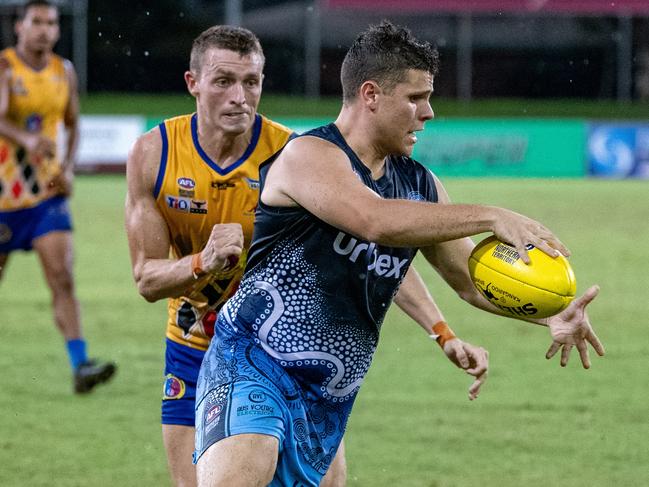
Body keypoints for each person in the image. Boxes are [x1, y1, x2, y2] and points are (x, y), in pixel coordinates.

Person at [192, 21, 605, 487]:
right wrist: (491, 216)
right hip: (254, 362)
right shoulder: (310, 155)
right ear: (370, 94)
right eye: (415, 98)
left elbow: (469, 282)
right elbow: (376, 221)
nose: (428, 113)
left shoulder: (418, 185)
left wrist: (550, 311)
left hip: (328, 393)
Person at [125, 24, 488, 487]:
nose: (240, 96)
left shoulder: (292, 150)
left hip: (309, 359)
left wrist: (442, 331)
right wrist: (203, 263)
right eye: (224, 82)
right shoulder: (156, 154)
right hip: (205, 344)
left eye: (251, 82)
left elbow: (375, 250)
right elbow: (145, 280)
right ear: (193, 83)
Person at [0, 0, 116, 394]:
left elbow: (72, 122)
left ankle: (80, 364)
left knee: (62, 277)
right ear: (20, 27)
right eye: (37, 22)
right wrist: (28, 138)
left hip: (46, 195)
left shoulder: (63, 71)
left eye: (51, 23)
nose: (44, 30)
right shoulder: (5, 67)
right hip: (4, 194)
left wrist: (67, 169)